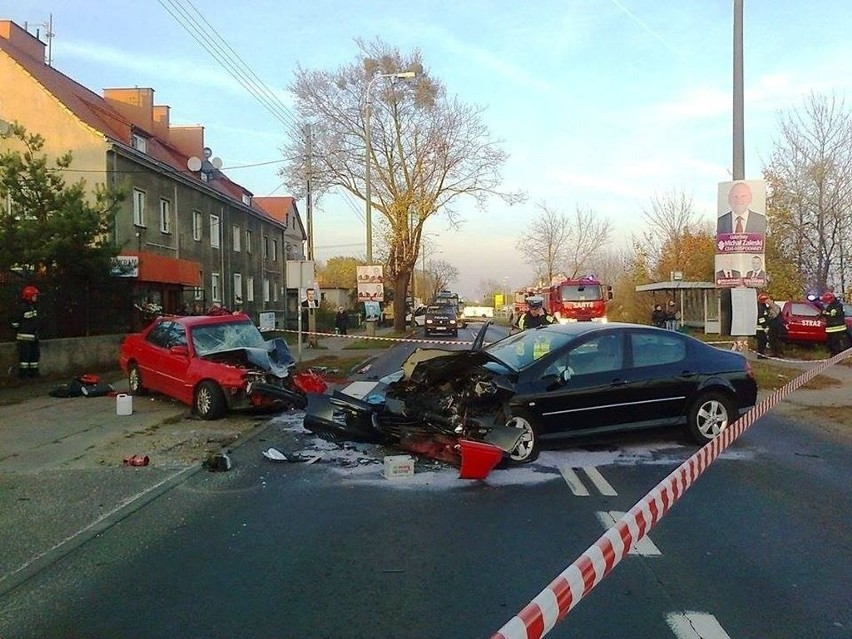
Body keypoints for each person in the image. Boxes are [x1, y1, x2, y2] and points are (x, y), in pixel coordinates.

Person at [11, 285, 41, 378]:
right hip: (24, 337)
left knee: (34, 356)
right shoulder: (22, 308)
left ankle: (34, 373)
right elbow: (15, 322)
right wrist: (21, 330)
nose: (36, 297)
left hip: (33, 336)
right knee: (25, 357)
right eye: (34, 295)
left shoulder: (33, 307)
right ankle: (24, 375)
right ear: (29, 296)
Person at [819, 291, 847, 356]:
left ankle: (836, 356)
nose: (826, 302)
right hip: (832, 328)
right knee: (831, 343)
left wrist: (825, 313)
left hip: (836, 328)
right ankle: (834, 355)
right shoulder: (834, 305)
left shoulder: (836, 306)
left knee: (835, 343)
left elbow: (833, 314)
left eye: (827, 301)